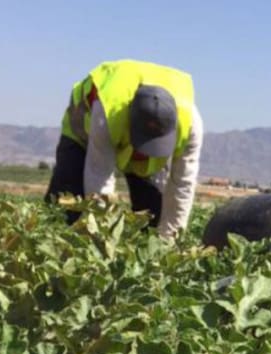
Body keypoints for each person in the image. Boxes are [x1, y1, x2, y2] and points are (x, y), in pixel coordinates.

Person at [44, 59, 204, 240]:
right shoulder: (108, 113)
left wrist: (170, 239)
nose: (144, 152)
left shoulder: (191, 126)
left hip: (132, 140)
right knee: (65, 204)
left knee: (152, 214)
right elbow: (99, 178)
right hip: (83, 133)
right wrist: (102, 239)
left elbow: (183, 185)